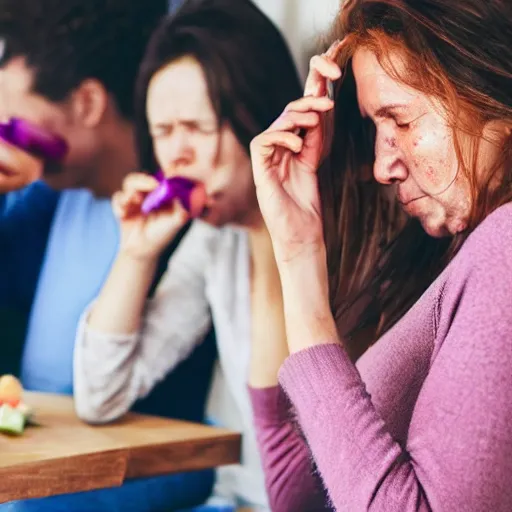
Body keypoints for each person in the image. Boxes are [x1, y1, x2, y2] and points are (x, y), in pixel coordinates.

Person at [248, 0, 512, 510]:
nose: (382, 167)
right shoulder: (461, 248)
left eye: (401, 121)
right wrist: (296, 248)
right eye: (374, 129)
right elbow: (300, 492)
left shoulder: (504, 249)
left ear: (493, 92)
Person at [72, 0, 321, 508]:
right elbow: (99, 396)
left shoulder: (337, 233)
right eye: (162, 132)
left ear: (259, 114)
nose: (176, 154)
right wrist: (136, 255)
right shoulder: (213, 241)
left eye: (197, 128)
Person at [0, 1, 215, 510]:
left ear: (89, 103)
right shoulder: (47, 198)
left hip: (136, 470)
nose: (4, 140)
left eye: (10, 125)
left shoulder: (184, 211)